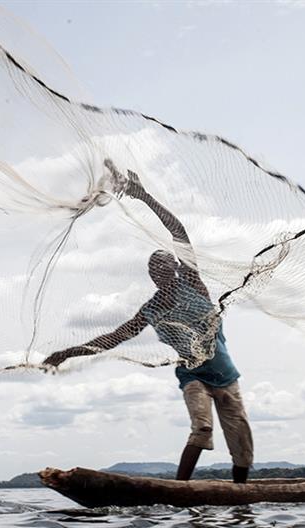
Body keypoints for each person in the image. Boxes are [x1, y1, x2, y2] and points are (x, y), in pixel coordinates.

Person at [42, 163, 254, 484]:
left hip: (226, 377)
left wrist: (144, 197)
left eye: (167, 263)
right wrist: (67, 352)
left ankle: (241, 495)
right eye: (156, 268)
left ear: (176, 268)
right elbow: (113, 338)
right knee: (203, 428)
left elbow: (178, 232)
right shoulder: (152, 309)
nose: (162, 269)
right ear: (152, 276)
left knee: (242, 447)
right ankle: (180, 488)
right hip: (193, 376)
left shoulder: (193, 284)